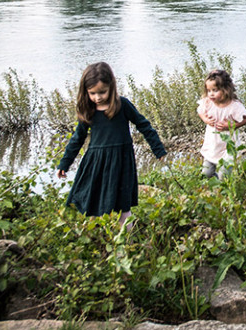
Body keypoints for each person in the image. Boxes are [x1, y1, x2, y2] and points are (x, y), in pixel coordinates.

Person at [56, 62, 166, 222]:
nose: (97, 97)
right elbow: (77, 138)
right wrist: (64, 164)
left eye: (102, 92)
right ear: (86, 91)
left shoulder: (123, 105)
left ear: (111, 87)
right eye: (92, 93)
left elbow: (144, 125)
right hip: (96, 163)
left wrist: (158, 150)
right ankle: (97, 236)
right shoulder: (89, 110)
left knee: (123, 205)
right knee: (93, 200)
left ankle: (126, 239)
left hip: (121, 161)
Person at [197, 68, 246, 179]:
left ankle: (224, 191)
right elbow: (200, 111)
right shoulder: (207, 103)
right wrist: (206, 120)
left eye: (215, 90)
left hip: (228, 146)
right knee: (206, 173)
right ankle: (214, 186)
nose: (211, 94)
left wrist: (230, 126)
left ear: (225, 89)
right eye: (209, 90)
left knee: (224, 175)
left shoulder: (234, 106)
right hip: (212, 144)